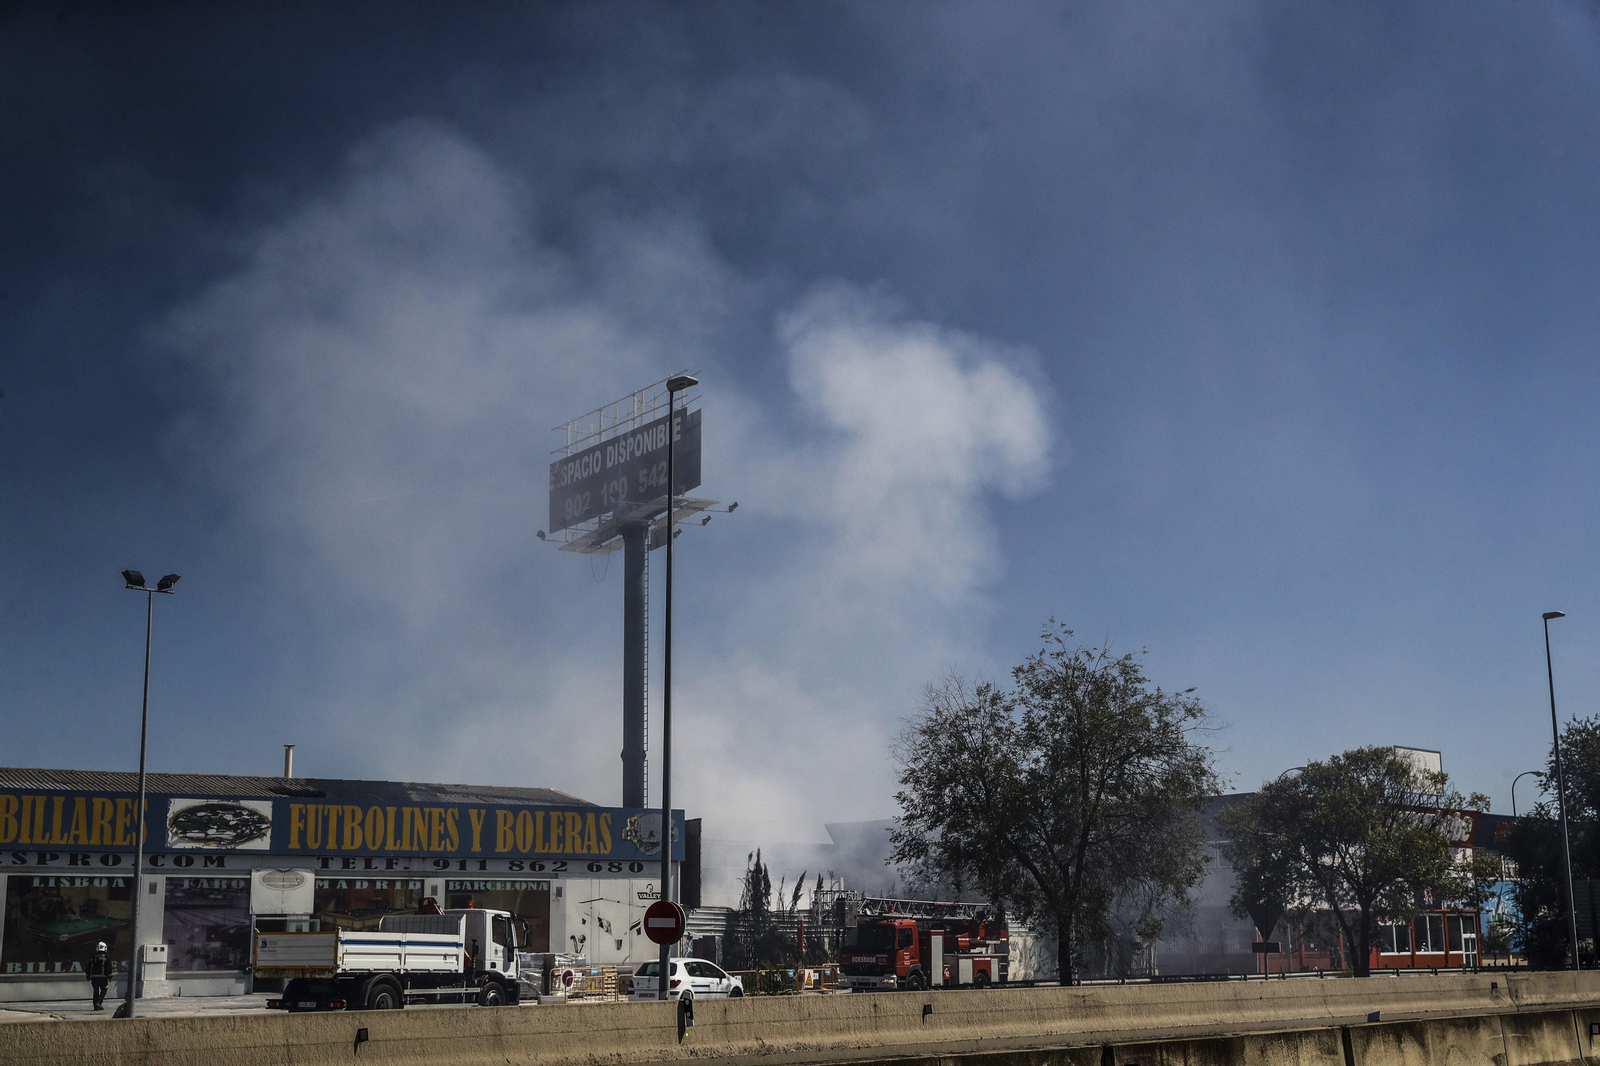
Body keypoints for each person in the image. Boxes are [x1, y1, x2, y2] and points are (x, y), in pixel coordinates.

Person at [86, 942, 112, 1011]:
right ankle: (99, 1002)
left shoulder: (93, 957)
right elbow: (108, 967)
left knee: (96, 990)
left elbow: (88, 966)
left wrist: (88, 975)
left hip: (94, 978)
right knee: (104, 989)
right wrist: (110, 976)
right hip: (103, 977)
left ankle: (95, 1006)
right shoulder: (106, 958)